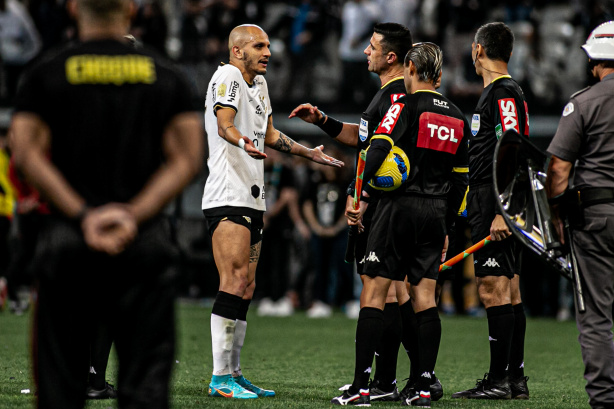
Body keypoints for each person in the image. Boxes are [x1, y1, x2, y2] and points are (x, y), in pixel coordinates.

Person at [9, 1, 203, 408]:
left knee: (59, 390)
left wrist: (83, 214)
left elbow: (24, 153)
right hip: (143, 240)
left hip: (68, 240)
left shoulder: (45, 73)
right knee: (145, 391)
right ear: (131, 11)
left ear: (73, 9)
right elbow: (187, 157)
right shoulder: (165, 75)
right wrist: (134, 213)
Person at [290, 22, 446, 402]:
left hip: (385, 203)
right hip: (397, 204)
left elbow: (377, 154)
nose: (365, 51)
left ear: (391, 57)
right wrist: (323, 121)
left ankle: (414, 378)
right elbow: (361, 139)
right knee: (393, 292)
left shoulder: (397, 98)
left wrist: (356, 193)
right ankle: (394, 380)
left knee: (389, 291)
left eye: (372, 46)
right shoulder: (386, 97)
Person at [201, 24, 343, 400]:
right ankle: (219, 379)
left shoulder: (259, 85)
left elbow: (269, 134)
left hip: (254, 197)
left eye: (268, 45)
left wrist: (307, 151)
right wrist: (242, 141)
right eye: (258, 45)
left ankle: (234, 371)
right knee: (232, 281)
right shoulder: (227, 75)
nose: (268, 51)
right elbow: (225, 124)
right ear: (237, 51)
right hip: (228, 195)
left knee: (247, 286)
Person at [330, 42, 469, 407]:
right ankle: (423, 387)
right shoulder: (457, 115)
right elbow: (461, 180)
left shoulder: (402, 105)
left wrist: (358, 193)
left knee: (374, 291)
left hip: (398, 209)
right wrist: (447, 227)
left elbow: (375, 149)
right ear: (438, 76)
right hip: (437, 210)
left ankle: (362, 387)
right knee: (424, 297)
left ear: (409, 68)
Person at [452, 22, 530, 400]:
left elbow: (513, 147)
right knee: (510, 289)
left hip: (495, 199)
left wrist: (503, 209)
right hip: (493, 198)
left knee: (493, 287)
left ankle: (499, 381)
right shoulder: (500, 93)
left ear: (477, 50)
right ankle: (513, 379)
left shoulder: (502, 93)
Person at [545, 21, 614, 409]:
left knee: (597, 315)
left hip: (596, 216)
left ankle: (605, 399)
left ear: (593, 61)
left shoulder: (584, 102)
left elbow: (558, 169)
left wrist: (557, 216)